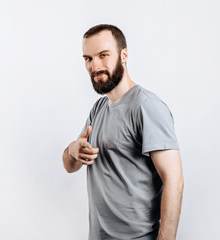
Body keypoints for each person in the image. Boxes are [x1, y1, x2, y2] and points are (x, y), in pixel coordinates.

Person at [62, 24, 184, 240]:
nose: (94, 65)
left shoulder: (146, 107)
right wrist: (73, 150)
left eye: (103, 55)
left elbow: (174, 180)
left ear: (124, 55)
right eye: (88, 59)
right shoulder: (98, 109)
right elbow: (70, 166)